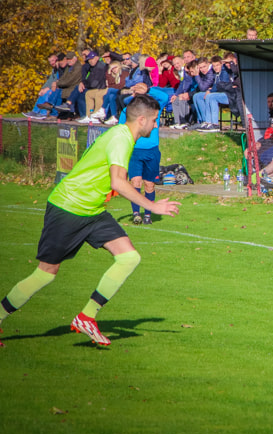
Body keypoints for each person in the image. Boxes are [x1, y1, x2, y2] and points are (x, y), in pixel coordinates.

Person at [0, 95, 181, 347]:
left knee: (129, 257)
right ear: (142, 119)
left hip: (93, 211)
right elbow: (118, 181)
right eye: (154, 121)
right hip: (69, 208)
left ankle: (86, 316)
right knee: (45, 274)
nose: (155, 126)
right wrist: (152, 205)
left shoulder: (123, 135)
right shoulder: (121, 139)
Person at [121, 85, 171, 225]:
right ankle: (136, 213)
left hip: (152, 151)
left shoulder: (153, 110)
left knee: (149, 184)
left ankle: (148, 215)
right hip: (135, 151)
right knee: (135, 182)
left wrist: (148, 90)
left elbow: (165, 98)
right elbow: (122, 130)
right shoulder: (127, 112)